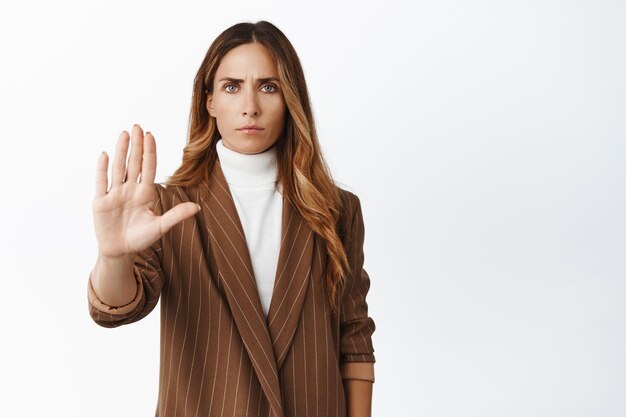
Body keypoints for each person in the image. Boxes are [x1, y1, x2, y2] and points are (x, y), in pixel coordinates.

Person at [87, 20, 376, 417]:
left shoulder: (338, 210)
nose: (250, 106)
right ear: (209, 101)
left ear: (290, 98)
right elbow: (116, 308)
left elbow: (354, 337)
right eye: (232, 86)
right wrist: (113, 256)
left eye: (268, 87)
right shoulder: (168, 207)